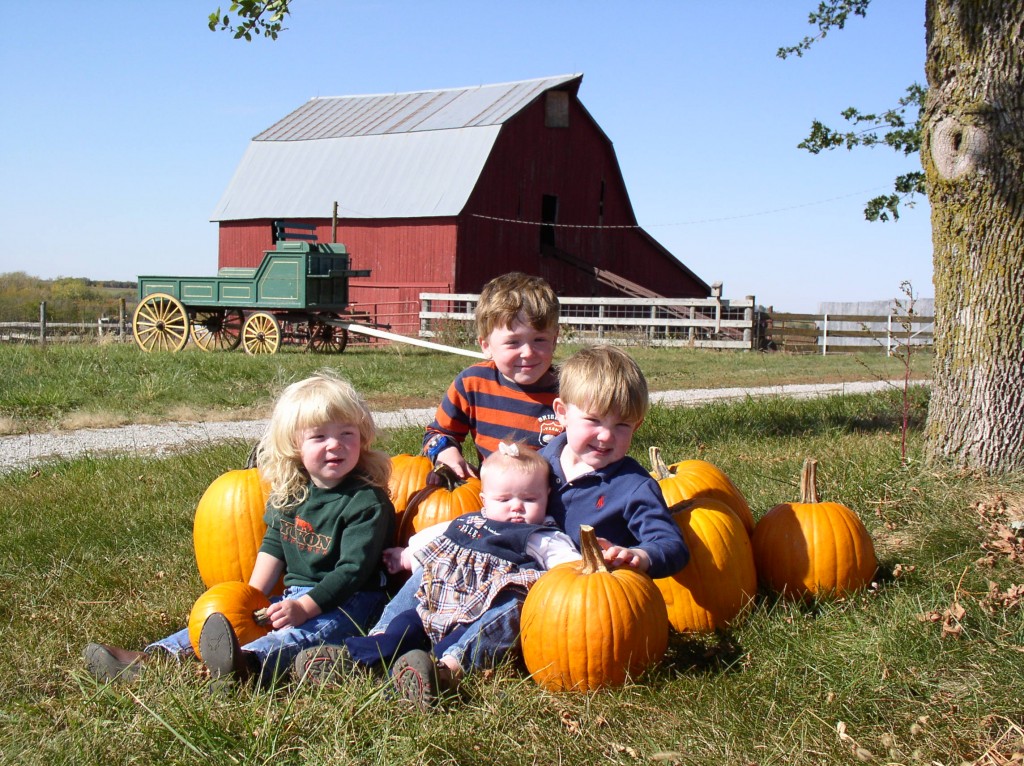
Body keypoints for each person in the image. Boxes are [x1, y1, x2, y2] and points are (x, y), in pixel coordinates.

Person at [83, 371, 395, 690]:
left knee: (304, 635)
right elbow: (274, 544)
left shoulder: (366, 501)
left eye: (347, 434)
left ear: (362, 436)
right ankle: (156, 658)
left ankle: (246, 665)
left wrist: (305, 607)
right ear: (294, 444)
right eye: (319, 437)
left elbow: (352, 571)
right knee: (224, 619)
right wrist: (249, 600)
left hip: (352, 602)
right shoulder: (292, 492)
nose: (335, 446)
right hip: (293, 596)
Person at [295, 441, 580, 710]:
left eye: (529, 499)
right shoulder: (469, 520)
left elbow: (569, 566)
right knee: (420, 585)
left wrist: (580, 575)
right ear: (484, 500)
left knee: (510, 608)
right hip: (437, 600)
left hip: (481, 610)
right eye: (504, 499)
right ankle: (364, 650)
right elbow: (434, 537)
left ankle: (443, 669)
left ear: (547, 498)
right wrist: (407, 555)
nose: (516, 507)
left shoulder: (541, 537)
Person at [539, 344, 689, 579]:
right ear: (562, 413)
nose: (606, 435)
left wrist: (639, 555)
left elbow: (671, 545)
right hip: (532, 574)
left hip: (595, 596)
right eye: (593, 420)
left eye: (622, 425)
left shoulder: (633, 486)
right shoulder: (541, 461)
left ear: (636, 426)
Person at [421, 271, 563, 479]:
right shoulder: (473, 384)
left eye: (539, 340)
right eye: (513, 342)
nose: (528, 352)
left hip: (559, 500)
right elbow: (437, 434)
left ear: (555, 339)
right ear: (486, 346)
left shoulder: (570, 389)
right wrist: (445, 453)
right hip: (497, 500)